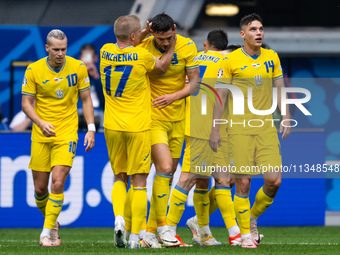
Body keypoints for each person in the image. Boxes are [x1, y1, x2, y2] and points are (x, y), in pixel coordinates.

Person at [209, 13, 291, 248]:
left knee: (274, 181)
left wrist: (285, 116)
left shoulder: (271, 57)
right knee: (243, 182)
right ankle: (245, 234)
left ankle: (251, 218)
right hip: (239, 129)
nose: (259, 33)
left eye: (261, 29)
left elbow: (280, 89)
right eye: (253, 29)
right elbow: (220, 97)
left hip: (266, 128)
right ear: (243, 34)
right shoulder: (230, 61)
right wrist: (215, 129)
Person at [100, 15, 176, 249]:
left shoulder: (104, 51)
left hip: (112, 126)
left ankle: (119, 218)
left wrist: (141, 33)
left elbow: (128, 41)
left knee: (119, 177)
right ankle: (135, 238)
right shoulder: (142, 56)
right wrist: (172, 41)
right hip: (138, 126)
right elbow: (162, 66)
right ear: (134, 36)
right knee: (139, 181)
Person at [166, 31, 241, 246]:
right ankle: (168, 230)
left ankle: (207, 233)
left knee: (216, 180)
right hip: (209, 128)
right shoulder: (225, 62)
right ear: (225, 46)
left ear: (206, 44)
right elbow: (222, 96)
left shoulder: (194, 57)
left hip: (192, 124)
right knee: (188, 178)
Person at [21, 29, 95, 246]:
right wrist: (41, 123)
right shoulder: (33, 70)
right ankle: (52, 222)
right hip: (41, 133)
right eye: (56, 49)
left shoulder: (78, 67)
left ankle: (46, 232)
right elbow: (26, 104)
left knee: (58, 181)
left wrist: (90, 128)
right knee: (40, 189)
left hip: (67, 132)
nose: (60, 53)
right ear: (47, 48)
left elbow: (87, 100)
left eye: (63, 49)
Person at [136, 13, 200, 248]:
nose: (165, 43)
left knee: (168, 174)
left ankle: (149, 233)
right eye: (161, 39)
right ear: (153, 32)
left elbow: (194, 84)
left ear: (175, 29)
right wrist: (143, 32)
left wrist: (174, 96)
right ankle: (161, 228)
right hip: (152, 118)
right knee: (162, 168)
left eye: (169, 37)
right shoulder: (142, 44)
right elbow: (122, 49)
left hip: (178, 119)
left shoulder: (187, 45)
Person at [185, 44, 242, 245]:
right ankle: (164, 229)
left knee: (227, 180)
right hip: (207, 131)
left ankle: (198, 224)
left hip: (227, 132)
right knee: (196, 180)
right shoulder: (219, 68)